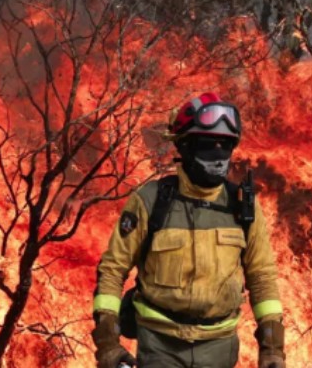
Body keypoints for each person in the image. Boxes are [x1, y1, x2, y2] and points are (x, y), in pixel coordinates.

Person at [92, 92, 286, 368]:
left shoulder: (243, 208)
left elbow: (262, 276)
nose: (218, 157)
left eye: (225, 147)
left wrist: (272, 349)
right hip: (161, 345)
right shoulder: (150, 202)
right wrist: (108, 346)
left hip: (220, 348)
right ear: (184, 147)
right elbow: (112, 269)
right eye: (208, 146)